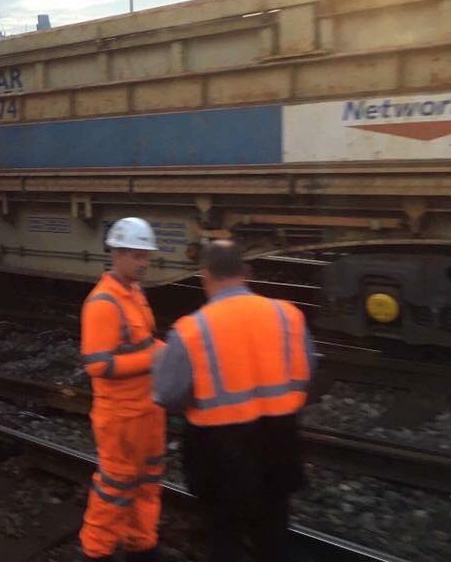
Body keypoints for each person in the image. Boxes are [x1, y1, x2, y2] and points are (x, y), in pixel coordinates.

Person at [153, 240, 316, 562]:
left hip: (219, 455)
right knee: (274, 536)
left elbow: (168, 395)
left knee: (224, 538)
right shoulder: (287, 315)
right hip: (279, 444)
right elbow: (307, 370)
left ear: (204, 275)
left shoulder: (191, 330)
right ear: (245, 272)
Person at [80, 217, 166, 562]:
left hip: (147, 411)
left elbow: (143, 344)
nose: (143, 263)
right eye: (136, 256)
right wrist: (155, 357)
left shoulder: (135, 294)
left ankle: (141, 545)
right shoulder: (103, 302)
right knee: (114, 490)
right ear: (116, 254)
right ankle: (95, 552)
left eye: (146, 256)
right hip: (120, 418)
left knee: (147, 484)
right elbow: (98, 365)